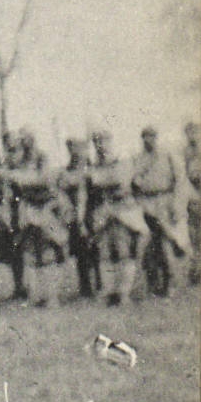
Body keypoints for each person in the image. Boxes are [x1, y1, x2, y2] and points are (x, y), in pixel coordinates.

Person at [2, 135, 71, 307]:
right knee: (30, 253)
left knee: (48, 252)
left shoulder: (44, 160)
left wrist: (14, 175)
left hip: (48, 208)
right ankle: (34, 296)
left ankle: (51, 297)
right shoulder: (18, 163)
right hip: (28, 209)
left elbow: (43, 179)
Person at [88, 130, 143, 306]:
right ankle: (109, 291)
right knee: (104, 253)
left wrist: (98, 179)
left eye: (103, 141)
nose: (100, 145)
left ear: (110, 142)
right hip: (104, 211)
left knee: (123, 250)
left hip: (123, 210)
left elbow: (119, 181)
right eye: (96, 142)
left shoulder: (122, 160)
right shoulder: (95, 165)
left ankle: (124, 292)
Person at [131, 126, 182, 298]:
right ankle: (153, 285)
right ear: (142, 139)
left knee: (165, 245)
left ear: (156, 137)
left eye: (152, 136)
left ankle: (170, 284)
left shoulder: (167, 155)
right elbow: (133, 184)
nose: (148, 140)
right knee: (149, 247)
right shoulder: (138, 158)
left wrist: (176, 204)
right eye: (145, 136)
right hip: (146, 203)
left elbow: (178, 180)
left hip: (164, 201)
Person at [58, 137, 99, 299]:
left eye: (78, 148)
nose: (75, 152)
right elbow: (63, 188)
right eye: (72, 149)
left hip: (91, 211)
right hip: (75, 213)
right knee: (80, 250)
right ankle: (85, 285)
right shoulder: (68, 170)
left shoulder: (91, 167)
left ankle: (100, 282)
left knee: (94, 248)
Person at [185, 122, 200, 287]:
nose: (192, 136)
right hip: (194, 197)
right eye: (189, 133)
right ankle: (196, 270)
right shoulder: (186, 152)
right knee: (195, 237)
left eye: (195, 132)